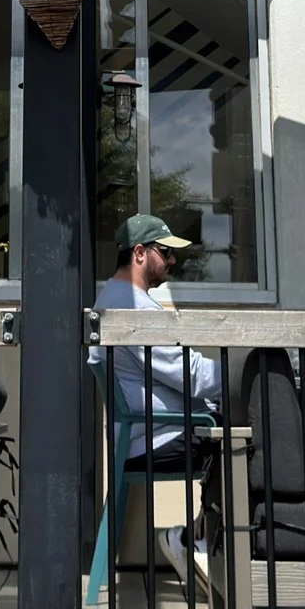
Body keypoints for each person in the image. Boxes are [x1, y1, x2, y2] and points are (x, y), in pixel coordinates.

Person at [92, 212, 224, 575]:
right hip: (157, 438)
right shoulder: (131, 308)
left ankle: (197, 536)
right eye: (165, 252)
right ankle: (197, 539)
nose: (172, 261)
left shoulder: (115, 298)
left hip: (145, 435)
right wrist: (243, 377)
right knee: (246, 442)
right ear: (139, 253)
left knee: (229, 429)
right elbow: (191, 375)